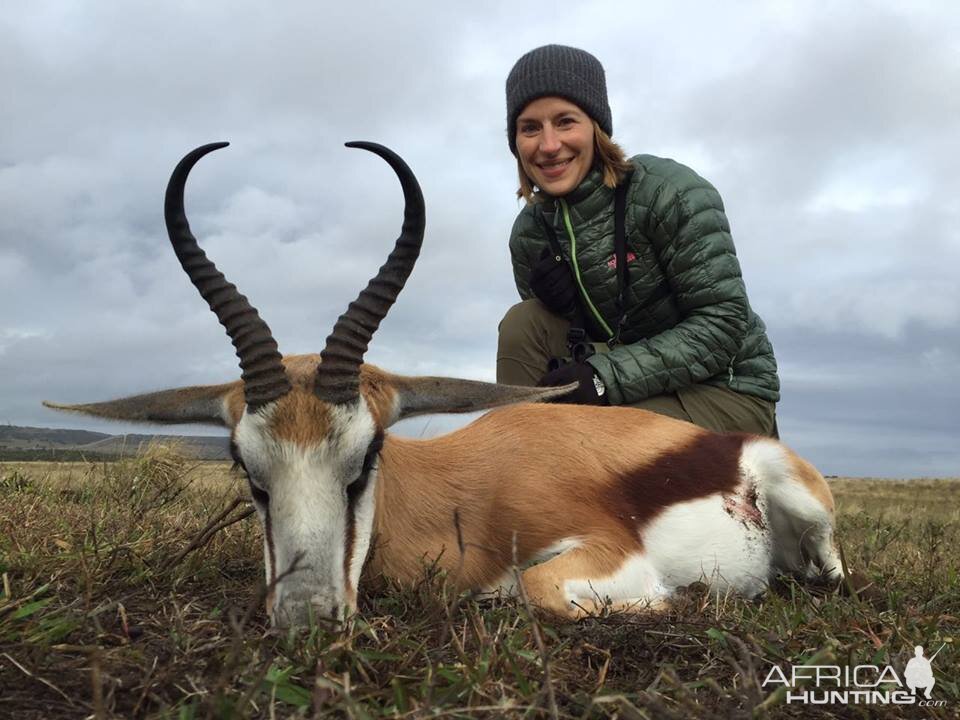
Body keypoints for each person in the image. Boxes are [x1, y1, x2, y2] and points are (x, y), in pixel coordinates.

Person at [496, 44, 780, 436]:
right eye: (530, 128)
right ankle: (517, 456)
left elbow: (723, 324)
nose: (548, 145)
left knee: (589, 438)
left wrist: (601, 377)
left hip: (724, 389)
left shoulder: (669, 192)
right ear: (516, 142)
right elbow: (574, 356)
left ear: (596, 127)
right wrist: (570, 314)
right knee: (523, 322)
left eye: (565, 122)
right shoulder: (530, 234)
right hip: (629, 387)